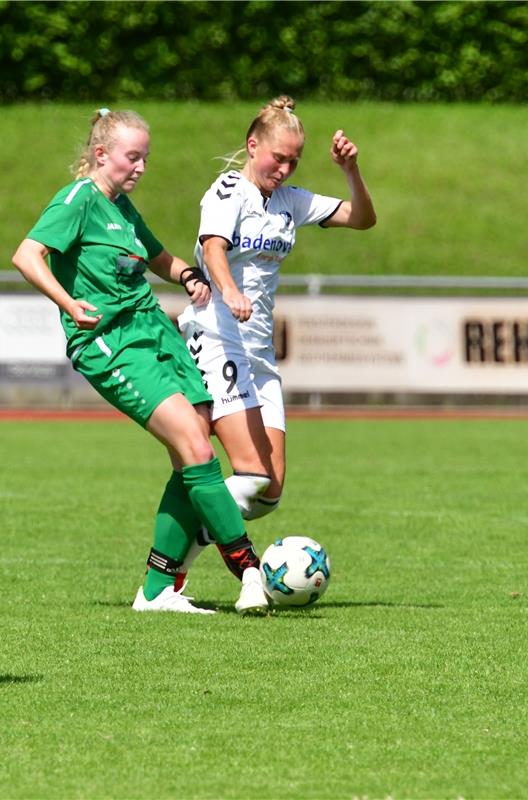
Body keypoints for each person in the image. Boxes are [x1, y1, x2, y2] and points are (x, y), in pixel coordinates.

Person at [10, 108, 269, 617]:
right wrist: (67, 303)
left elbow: (157, 257)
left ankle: (156, 589)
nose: (142, 167)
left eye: (146, 157)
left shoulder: (121, 208)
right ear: (101, 155)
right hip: (111, 343)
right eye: (134, 156)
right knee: (194, 446)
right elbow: (26, 255)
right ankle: (249, 568)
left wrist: (190, 275)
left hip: (154, 330)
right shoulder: (78, 201)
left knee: (191, 445)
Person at [173, 96, 376, 585]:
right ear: (252, 145)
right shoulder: (226, 192)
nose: (284, 169)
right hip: (218, 337)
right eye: (277, 157)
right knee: (250, 471)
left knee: (269, 492)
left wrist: (351, 170)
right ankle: (169, 572)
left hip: (259, 352)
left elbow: (362, 218)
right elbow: (212, 247)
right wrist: (228, 289)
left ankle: (192, 508)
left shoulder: (290, 201)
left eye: (293, 161)